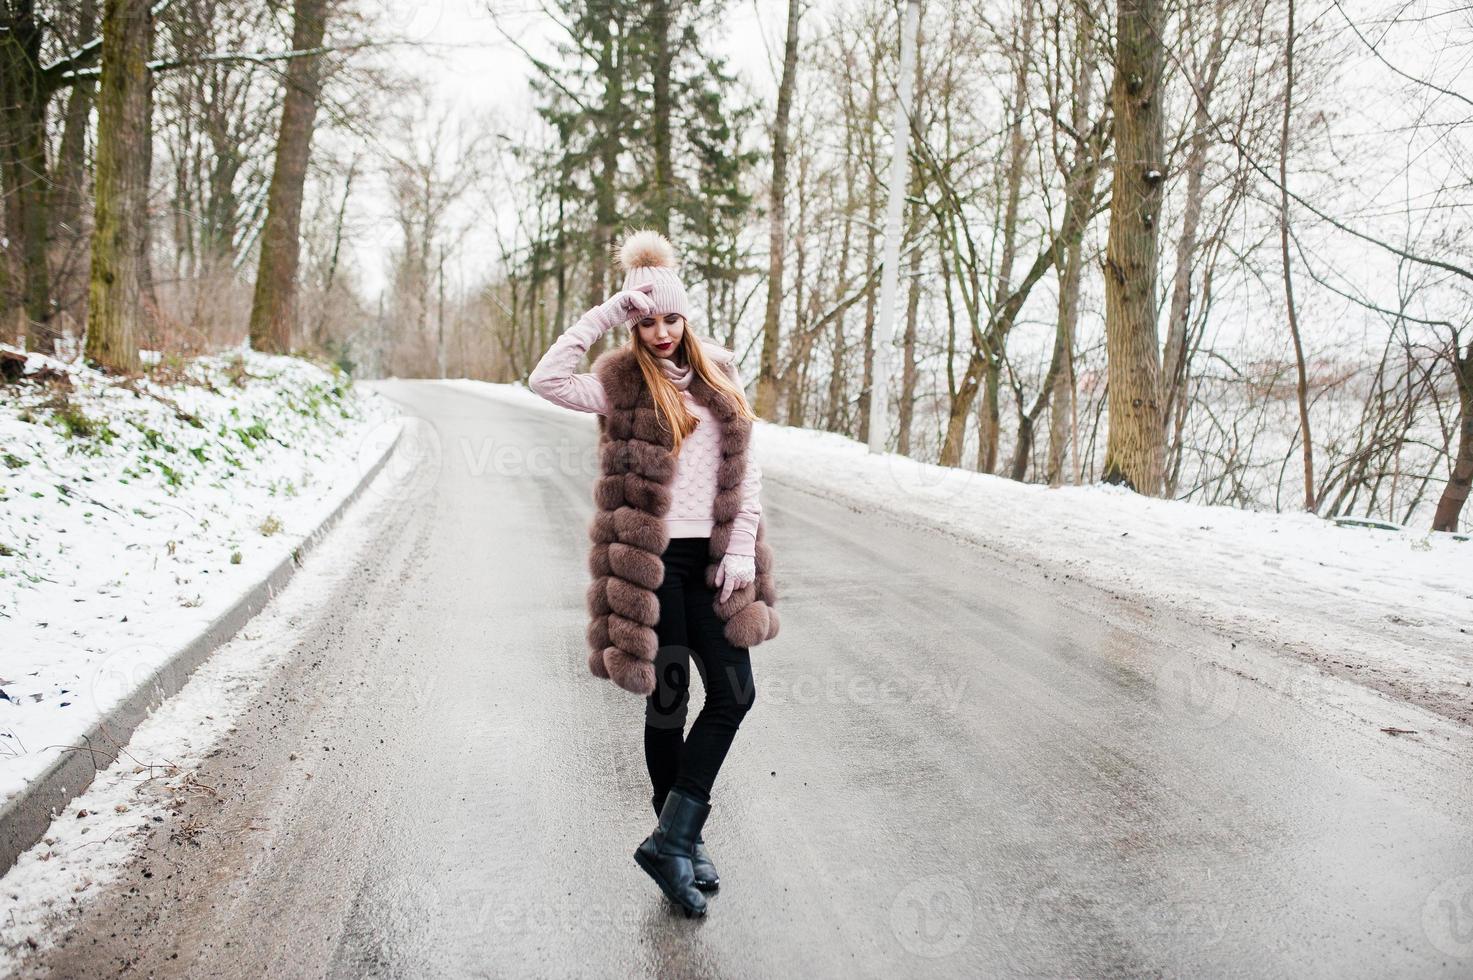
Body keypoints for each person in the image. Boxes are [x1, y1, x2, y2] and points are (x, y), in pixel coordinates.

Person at [528, 229, 781, 918]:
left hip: (714, 563)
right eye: (647, 321)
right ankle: (679, 842)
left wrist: (738, 548)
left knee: (732, 694)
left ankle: (674, 836)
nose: (661, 332)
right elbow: (544, 379)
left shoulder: (719, 378)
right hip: (652, 567)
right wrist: (605, 314)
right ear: (633, 324)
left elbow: (748, 471)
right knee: (668, 700)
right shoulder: (618, 383)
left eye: (670, 318)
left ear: (687, 318)